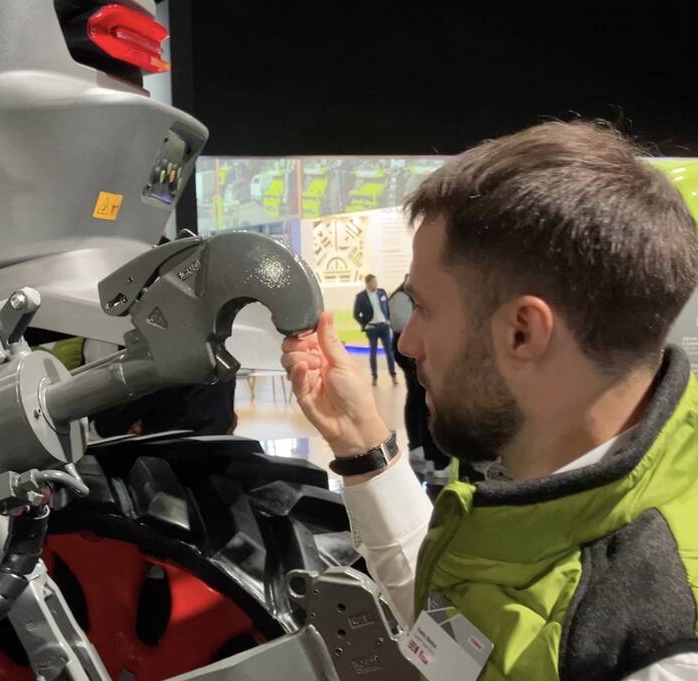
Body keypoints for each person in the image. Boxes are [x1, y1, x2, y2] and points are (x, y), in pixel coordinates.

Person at [282, 122, 698, 680]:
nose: (408, 342)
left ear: (522, 332)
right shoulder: (520, 454)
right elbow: (460, 631)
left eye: (424, 308)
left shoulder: (660, 642)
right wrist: (361, 445)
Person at [389, 276, 449, 472]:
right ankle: (424, 449)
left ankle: (427, 450)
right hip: (411, 359)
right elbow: (400, 327)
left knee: (420, 400)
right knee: (420, 399)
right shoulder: (402, 297)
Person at [353, 274, 398, 386]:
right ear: (368, 283)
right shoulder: (361, 297)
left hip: (384, 327)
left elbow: (388, 307)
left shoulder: (382, 292)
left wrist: (389, 320)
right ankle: (374, 376)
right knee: (373, 352)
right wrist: (365, 325)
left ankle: (393, 376)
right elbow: (356, 314)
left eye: (376, 282)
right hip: (372, 329)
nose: (376, 284)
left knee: (389, 352)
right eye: (373, 282)